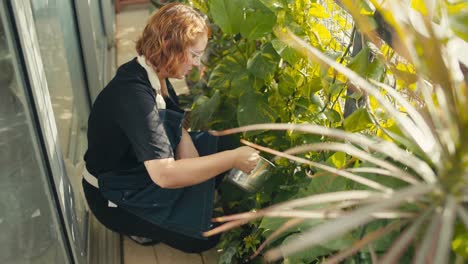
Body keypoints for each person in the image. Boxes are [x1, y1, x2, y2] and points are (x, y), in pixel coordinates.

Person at [81, 3, 259, 253]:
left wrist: (212, 164)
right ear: (170, 48)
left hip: (142, 170)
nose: (198, 64)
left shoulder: (151, 72)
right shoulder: (134, 97)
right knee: (204, 237)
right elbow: (165, 175)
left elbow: (183, 144)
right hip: (117, 195)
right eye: (195, 55)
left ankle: (204, 205)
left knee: (225, 143)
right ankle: (139, 226)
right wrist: (230, 160)